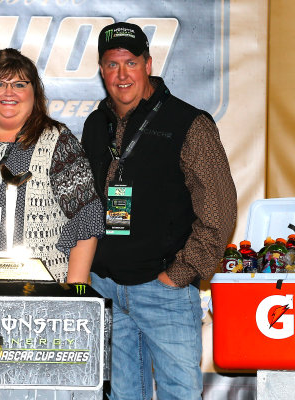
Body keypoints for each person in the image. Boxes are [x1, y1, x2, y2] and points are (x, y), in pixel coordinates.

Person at [81, 22, 237, 400]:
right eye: (112, 64)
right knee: (120, 396)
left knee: (179, 395)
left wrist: (178, 274)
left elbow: (220, 209)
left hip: (163, 290)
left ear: (148, 64)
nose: (121, 74)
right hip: (106, 290)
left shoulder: (189, 123)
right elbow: (84, 206)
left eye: (130, 63)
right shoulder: (95, 124)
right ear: (102, 69)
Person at [0, 48, 104, 283]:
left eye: (20, 84)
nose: (8, 92)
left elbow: (86, 217)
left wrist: (73, 292)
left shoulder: (58, 142)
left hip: (41, 294)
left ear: (34, 92)